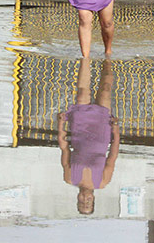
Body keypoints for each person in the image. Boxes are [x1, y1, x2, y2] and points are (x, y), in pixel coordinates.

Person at [58, 58, 120, 214]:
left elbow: (64, 148)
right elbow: (112, 156)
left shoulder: (69, 178)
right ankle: (108, 59)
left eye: (81, 203)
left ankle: (85, 59)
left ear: (77, 199)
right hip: (102, 131)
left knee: (82, 93)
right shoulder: (103, 182)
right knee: (105, 90)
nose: (85, 200)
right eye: (88, 203)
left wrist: (60, 124)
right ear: (94, 199)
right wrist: (116, 130)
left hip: (80, 128)